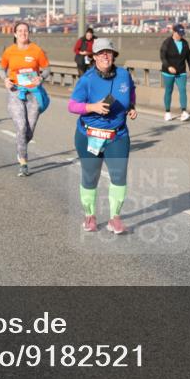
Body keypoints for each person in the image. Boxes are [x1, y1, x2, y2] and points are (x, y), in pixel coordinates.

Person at [68, 38, 137, 235]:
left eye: (108, 52)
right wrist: (93, 107)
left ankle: (115, 219)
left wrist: (131, 106)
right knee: (90, 177)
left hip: (117, 135)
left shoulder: (124, 75)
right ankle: (89, 216)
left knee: (119, 176)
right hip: (89, 135)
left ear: (114, 55)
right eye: (100, 53)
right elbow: (72, 106)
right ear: (94, 57)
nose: (105, 56)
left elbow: (131, 93)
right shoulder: (87, 80)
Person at [0, 22, 50, 177]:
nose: (23, 33)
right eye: (19, 31)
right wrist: (5, 79)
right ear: (15, 34)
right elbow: (1, 68)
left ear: (29, 33)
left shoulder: (37, 50)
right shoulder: (9, 51)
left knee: (29, 130)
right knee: (21, 127)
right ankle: (23, 162)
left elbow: (47, 68)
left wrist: (41, 78)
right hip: (16, 92)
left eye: (25, 31)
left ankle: (20, 146)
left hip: (34, 93)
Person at [159, 23, 190, 121]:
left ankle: (184, 112)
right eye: (179, 33)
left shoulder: (184, 43)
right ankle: (167, 112)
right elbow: (163, 56)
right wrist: (169, 66)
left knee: (183, 89)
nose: (181, 35)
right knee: (169, 91)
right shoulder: (167, 42)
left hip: (181, 71)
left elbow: (189, 57)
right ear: (174, 32)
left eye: (182, 33)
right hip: (168, 72)